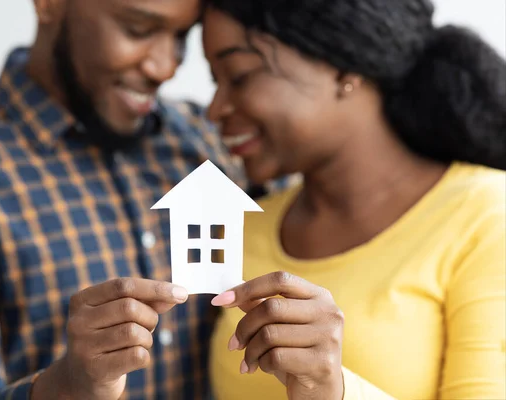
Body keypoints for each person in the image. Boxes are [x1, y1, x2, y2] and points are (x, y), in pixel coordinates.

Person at [0, 1, 293, 399]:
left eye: (180, 37)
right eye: (138, 29)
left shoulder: (213, 143)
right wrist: (71, 386)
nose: (166, 67)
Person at [202, 0, 506, 399]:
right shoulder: (246, 227)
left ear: (343, 68)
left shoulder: (487, 214)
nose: (215, 109)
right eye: (214, 81)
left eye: (239, 76)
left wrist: (331, 389)